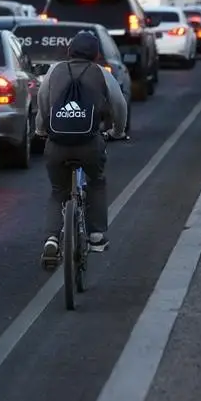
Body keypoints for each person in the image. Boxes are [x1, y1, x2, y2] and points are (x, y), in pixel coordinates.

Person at [34, 30, 128, 263]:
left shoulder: (55, 71)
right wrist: (117, 131)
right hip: (89, 144)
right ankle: (96, 234)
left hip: (57, 144)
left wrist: (41, 131)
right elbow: (119, 105)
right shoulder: (102, 74)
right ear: (96, 55)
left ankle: (52, 240)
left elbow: (43, 103)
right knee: (96, 182)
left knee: (59, 190)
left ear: (69, 51)